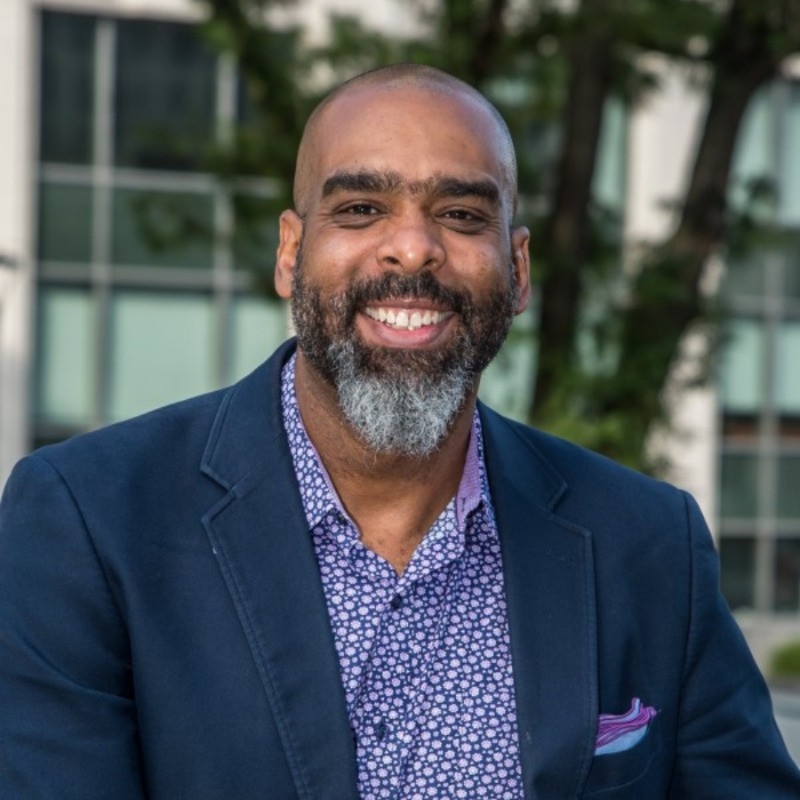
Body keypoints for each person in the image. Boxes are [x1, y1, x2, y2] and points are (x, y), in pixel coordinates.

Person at [0, 63, 798, 800]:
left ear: (517, 270)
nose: (413, 245)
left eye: (459, 213)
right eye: (360, 209)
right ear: (290, 252)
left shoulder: (649, 545)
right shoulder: (88, 523)